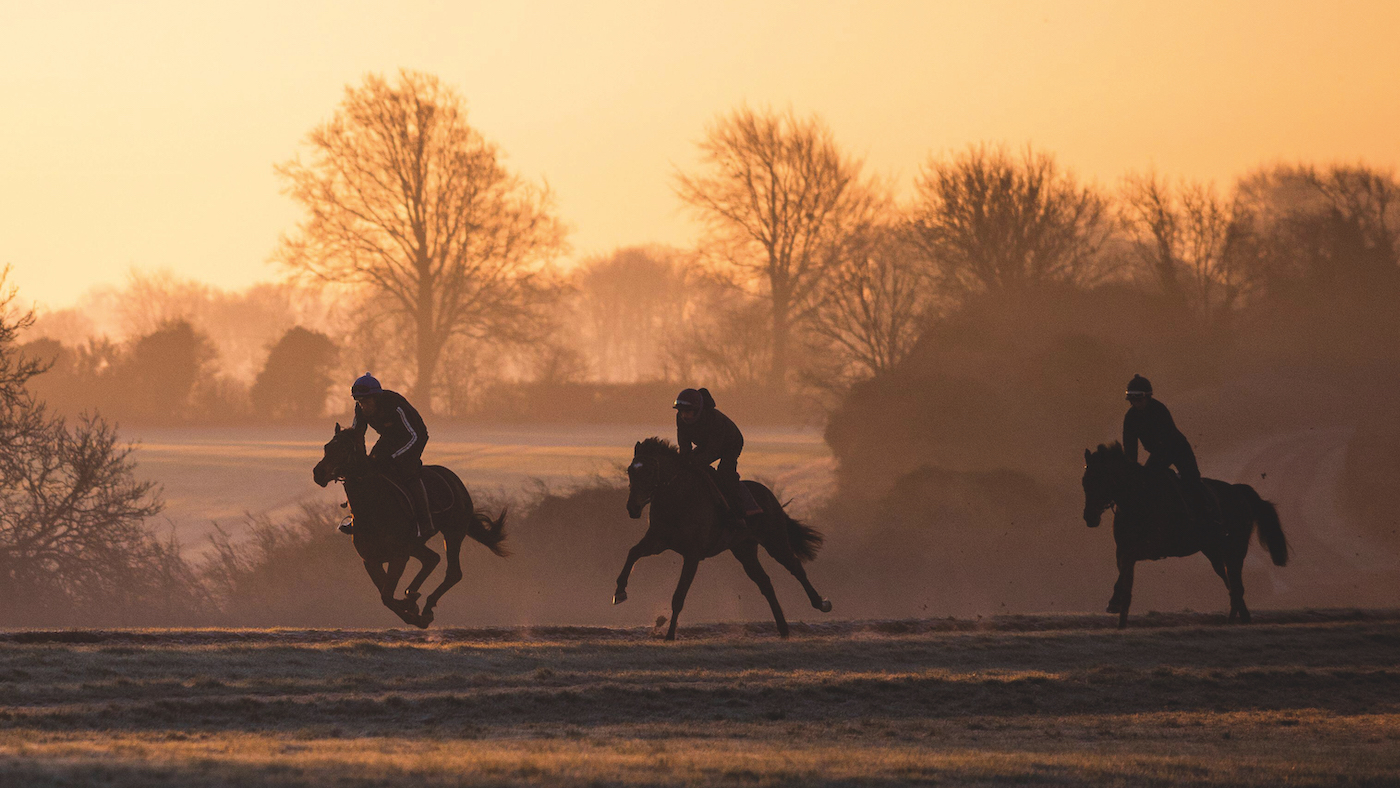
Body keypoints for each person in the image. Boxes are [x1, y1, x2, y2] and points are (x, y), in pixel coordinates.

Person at [1122, 375, 1219, 531]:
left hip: (1177, 449)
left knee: (1192, 480)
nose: (1135, 403)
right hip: (1158, 452)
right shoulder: (1130, 418)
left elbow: (1167, 442)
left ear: (1147, 397)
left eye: (1139, 399)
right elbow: (1130, 447)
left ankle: (1211, 515)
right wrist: (1131, 468)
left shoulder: (1159, 410)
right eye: (1132, 400)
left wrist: (1153, 467)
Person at [347, 373, 433, 538]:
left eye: (367, 401)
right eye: (360, 402)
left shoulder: (396, 407)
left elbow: (415, 436)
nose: (364, 406)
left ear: (376, 398)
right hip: (389, 438)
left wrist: (394, 457)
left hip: (414, 437)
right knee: (368, 470)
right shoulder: (360, 409)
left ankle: (425, 522)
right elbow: (357, 435)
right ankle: (359, 518)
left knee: (407, 472)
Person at [674, 387, 757, 529]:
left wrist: (694, 462)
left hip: (730, 443)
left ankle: (738, 510)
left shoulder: (715, 421)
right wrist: (684, 461)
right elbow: (684, 446)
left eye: (688, 412)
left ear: (698, 410)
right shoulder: (681, 419)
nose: (684, 416)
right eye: (681, 412)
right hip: (707, 443)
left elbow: (713, 451)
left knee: (724, 473)